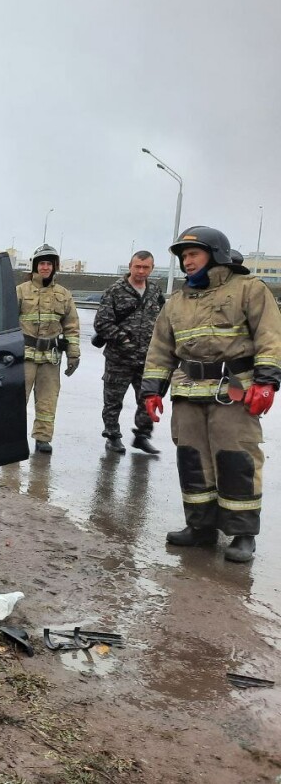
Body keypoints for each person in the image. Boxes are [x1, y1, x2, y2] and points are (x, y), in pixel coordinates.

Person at [141, 226, 281, 562]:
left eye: (193, 254)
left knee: (237, 460)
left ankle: (243, 534)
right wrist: (151, 390)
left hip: (233, 392)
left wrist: (267, 381)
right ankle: (200, 528)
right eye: (183, 256)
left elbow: (270, 336)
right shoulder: (176, 302)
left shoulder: (249, 290)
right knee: (192, 461)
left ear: (215, 253)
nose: (186, 262)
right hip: (188, 392)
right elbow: (160, 349)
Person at [93, 251, 166, 454]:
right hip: (119, 358)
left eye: (146, 267)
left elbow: (164, 319)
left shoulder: (154, 291)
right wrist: (123, 340)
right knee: (113, 400)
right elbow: (102, 323)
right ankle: (112, 436)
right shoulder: (115, 291)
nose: (141, 271)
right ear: (130, 266)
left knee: (148, 399)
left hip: (147, 359)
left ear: (152, 268)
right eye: (137, 267)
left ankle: (142, 435)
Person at [17, 243, 81, 454]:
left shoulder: (64, 294)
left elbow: (72, 326)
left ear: (54, 267)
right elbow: (7, 322)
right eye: (41, 263)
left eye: (49, 264)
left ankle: (43, 438)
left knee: (47, 400)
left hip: (50, 357)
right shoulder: (20, 291)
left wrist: (73, 354)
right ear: (35, 266)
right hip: (24, 355)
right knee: (17, 399)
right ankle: (13, 436)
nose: (45, 267)